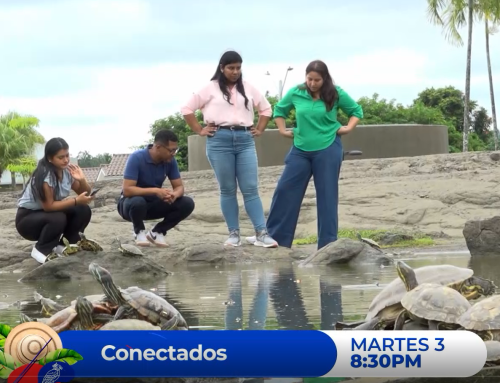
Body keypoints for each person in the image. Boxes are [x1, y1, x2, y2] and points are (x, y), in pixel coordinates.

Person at [262, 60, 363, 250]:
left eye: (317, 80)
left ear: (325, 79)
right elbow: (279, 110)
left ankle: (327, 245)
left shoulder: (336, 93)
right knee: (285, 190)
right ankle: (277, 240)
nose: (313, 83)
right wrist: (283, 130)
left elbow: (356, 110)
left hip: (328, 147)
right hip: (300, 149)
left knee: (327, 195)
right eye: (309, 79)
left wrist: (349, 127)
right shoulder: (296, 92)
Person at [181, 50, 278, 248]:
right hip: (219, 139)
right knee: (227, 189)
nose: (235, 72)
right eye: (231, 68)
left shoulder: (249, 88)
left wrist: (259, 128)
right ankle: (234, 234)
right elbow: (187, 109)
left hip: (244, 139)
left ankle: (261, 233)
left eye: (238, 68)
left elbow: (266, 109)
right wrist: (200, 130)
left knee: (250, 188)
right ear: (222, 68)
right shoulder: (210, 88)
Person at [15, 137, 94, 264]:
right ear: (50, 158)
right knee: (58, 217)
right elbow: (49, 207)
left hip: (48, 215)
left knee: (83, 209)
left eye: (67, 155)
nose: (66, 160)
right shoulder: (45, 175)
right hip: (27, 221)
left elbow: (84, 193)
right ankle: (40, 250)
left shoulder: (67, 172)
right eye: (61, 157)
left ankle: (64, 245)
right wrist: (75, 200)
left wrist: (82, 179)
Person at [117, 129, 195, 247]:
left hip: (152, 204)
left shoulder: (170, 161)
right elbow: (128, 190)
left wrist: (175, 195)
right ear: (158, 147)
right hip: (130, 205)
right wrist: (155, 190)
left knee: (187, 203)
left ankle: (157, 232)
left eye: (175, 150)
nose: (174, 153)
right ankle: (138, 231)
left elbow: (179, 186)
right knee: (138, 202)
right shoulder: (136, 158)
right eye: (171, 150)